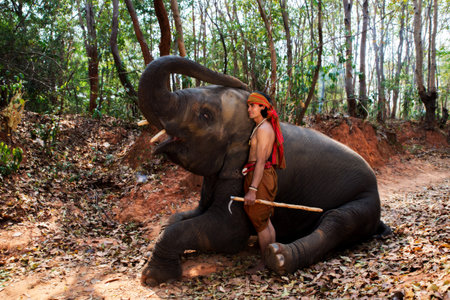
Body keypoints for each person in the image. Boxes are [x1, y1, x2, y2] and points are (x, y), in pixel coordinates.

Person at [243, 91, 286, 272]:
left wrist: (253, 189)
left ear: (262, 106)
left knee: (260, 223)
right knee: (266, 221)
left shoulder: (263, 129)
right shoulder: (261, 126)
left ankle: (264, 263)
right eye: (248, 106)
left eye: (252, 105)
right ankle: (272, 259)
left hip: (260, 178)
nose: (249, 109)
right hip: (258, 174)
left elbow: (261, 161)